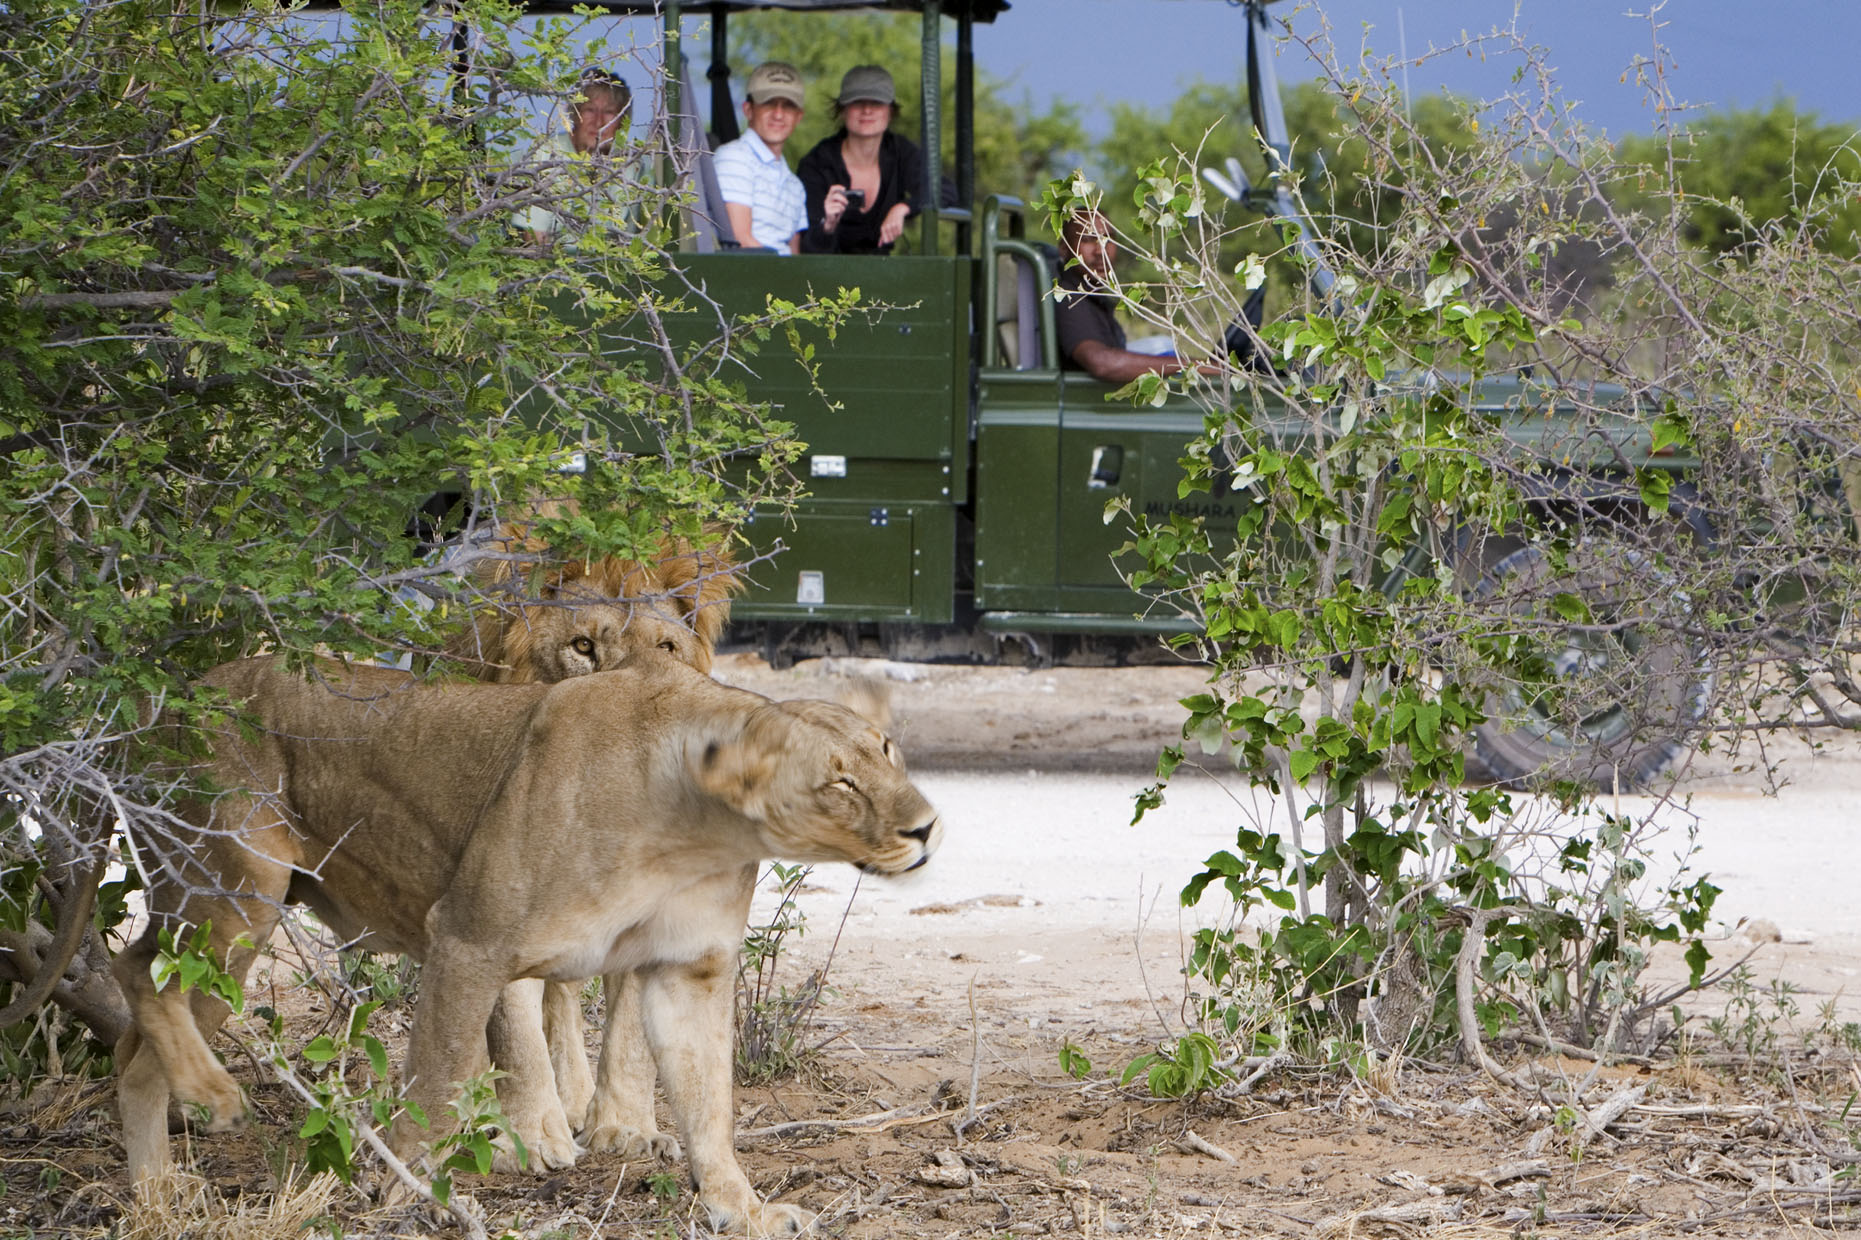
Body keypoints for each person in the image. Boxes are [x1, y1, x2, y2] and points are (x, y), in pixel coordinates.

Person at [1053, 209, 1218, 384]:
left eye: (1108, 239)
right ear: (1064, 249)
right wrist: (1191, 365)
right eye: (1087, 239)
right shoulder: (1069, 297)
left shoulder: (1091, 295)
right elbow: (1102, 363)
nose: (1101, 250)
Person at [797, 65, 925, 255]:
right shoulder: (816, 164)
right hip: (827, 277)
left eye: (876, 102)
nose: (867, 110)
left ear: (890, 111)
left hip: (884, 275)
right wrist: (828, 225)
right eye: (857, 102)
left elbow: (943, 191)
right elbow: (807, 249)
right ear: (842, 110)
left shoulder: (901, 151)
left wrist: (903, 208)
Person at [515, 70, 634, 249]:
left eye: (609, 112)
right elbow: (534, 237)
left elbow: (619, 237)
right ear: (573, 114)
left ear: (622, 120)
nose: (599, 122)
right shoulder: (546, 154)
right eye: (590, 110)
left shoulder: (630, 163)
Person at [711, 62, 809, 254]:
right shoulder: (733, 158)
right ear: (748, 110)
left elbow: (794, 255)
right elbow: (740, 242)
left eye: (788, 106)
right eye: (769, 103)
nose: (779, 115)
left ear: (799, 116)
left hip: (784, 280)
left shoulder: (795, 185)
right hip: (746, 279)